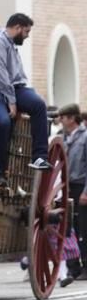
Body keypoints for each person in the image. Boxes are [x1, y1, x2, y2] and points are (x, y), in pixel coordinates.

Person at [0, 13, 49, 188]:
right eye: (26, 31)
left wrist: (22, 94)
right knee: (2, 121)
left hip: (11, 89)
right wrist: (11, 101)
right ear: (18, 28)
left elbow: (15, 78)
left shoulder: (11, 44)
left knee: (38, 104)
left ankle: (40, 157)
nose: (27, 36)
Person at [58, 104, 87, 286]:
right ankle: (73, 266)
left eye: (63, 117)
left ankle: (86, 266)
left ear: (71, 118)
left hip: (80, 186)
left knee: (83, 228)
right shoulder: (62, 137)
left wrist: (86, 191)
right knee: (69, 227)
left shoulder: (85, 137)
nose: (60, 120)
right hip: (65, 186)